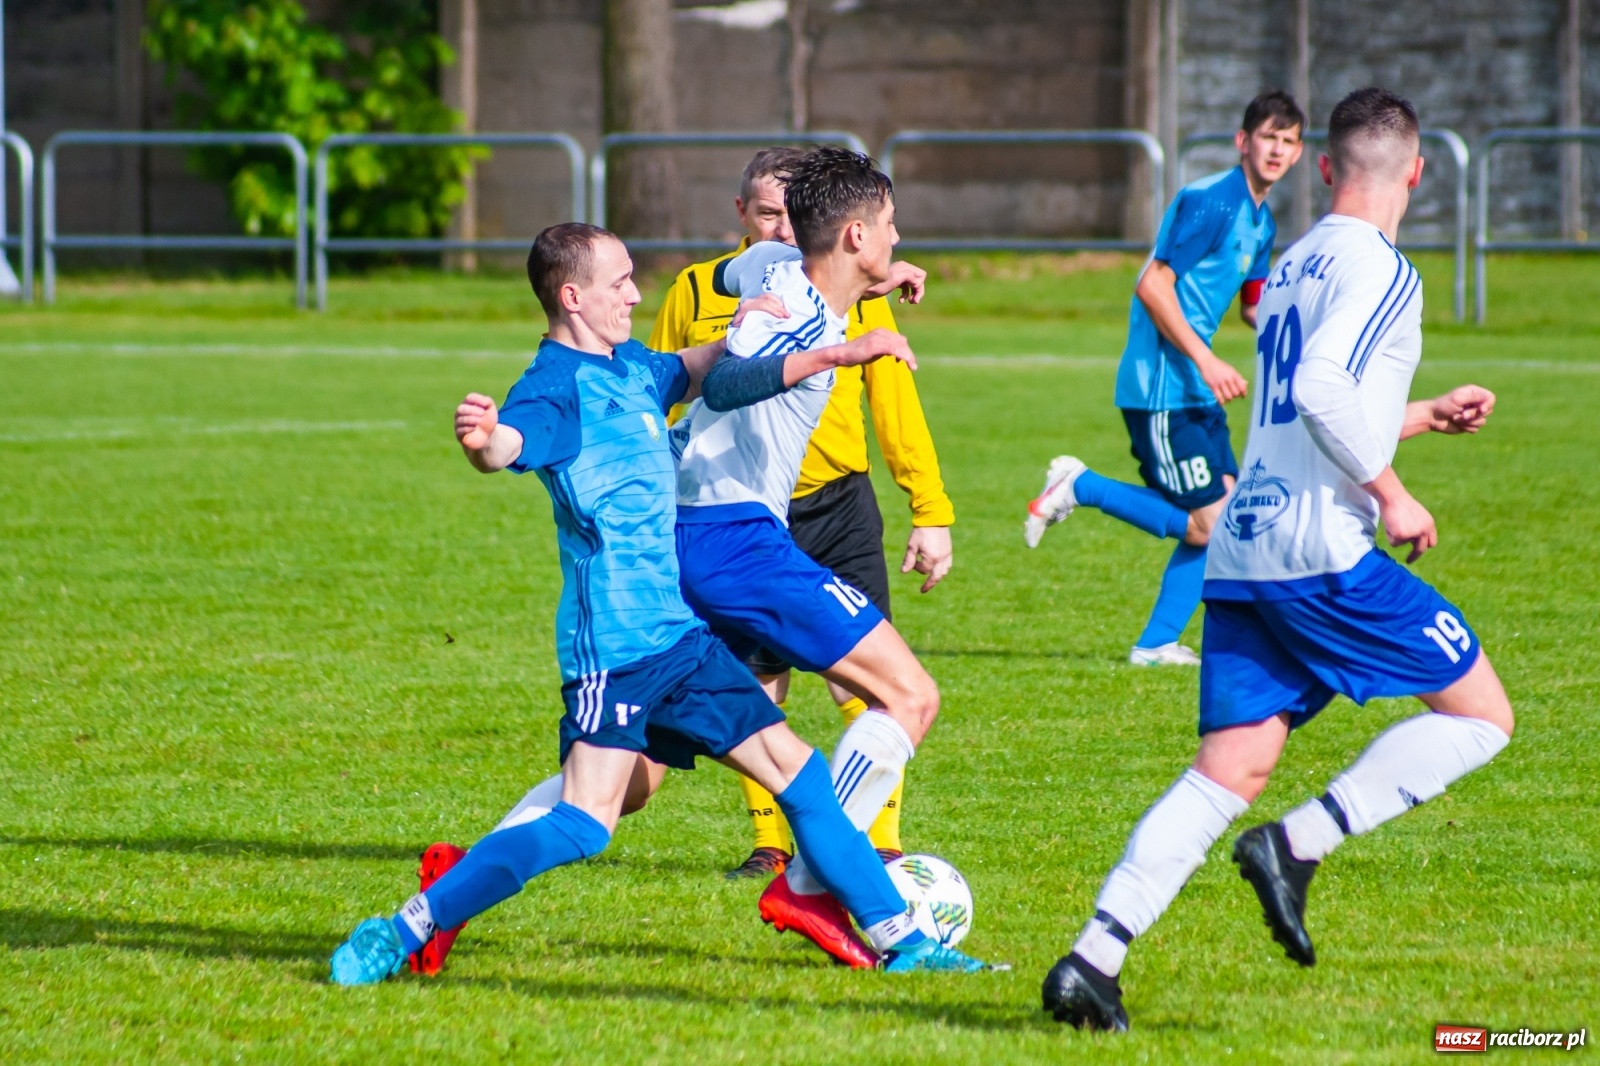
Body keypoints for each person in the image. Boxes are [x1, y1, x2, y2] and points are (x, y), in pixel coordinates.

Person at [326, 222, 972, 985]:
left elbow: (705, 370)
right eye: (620, 282)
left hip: (683, 640)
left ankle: (906, 944)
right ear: (572, 297)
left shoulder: (632, 367)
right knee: (585, 822)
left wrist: (799, 312)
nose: (636, 293)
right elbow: (508, 445)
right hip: (618, 651)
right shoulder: (552, 389)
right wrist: (485, 439)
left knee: (799, 778)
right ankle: (406, 926)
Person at [1042, 88, 1512, 1032]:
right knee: (1483, 715)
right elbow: (1327, 389)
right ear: (1417, 173)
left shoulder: (1293, 260)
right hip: (1320, 550)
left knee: (1229, 767)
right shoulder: (1384, 269)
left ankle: (1091, 962)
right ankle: (1298, 846)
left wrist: (1416, 416)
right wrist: (1392, 491)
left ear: (1327, 166)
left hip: (1249, 547)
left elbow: (1299, 407)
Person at [650, 146, 956, 879]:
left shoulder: (768, 270)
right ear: (854, 235)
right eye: (890, 226)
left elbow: (729, 275)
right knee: (909, 693)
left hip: (693, 535)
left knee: (618, 784)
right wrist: (838, 356)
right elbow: (723, 387)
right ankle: (823, 872)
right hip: (738, 542)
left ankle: (442, 892)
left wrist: (888, 277)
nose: (898, 238)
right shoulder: (799, 319)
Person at [1025, 90, 1305, 666]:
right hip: (1162, 388)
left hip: (1196, 387)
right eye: (1268, 137)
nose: (1276, 149)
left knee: (1223, 521)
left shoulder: (1262, 219)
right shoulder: (1211, 202)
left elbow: (1255, 308)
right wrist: (1207, 359)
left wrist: (1308, 338)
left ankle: (1155, 645)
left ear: (1299, 153)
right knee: (1210, 525)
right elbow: (1153, 285)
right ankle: (1081, 487)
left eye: (1288, 140)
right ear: (1242, 141)